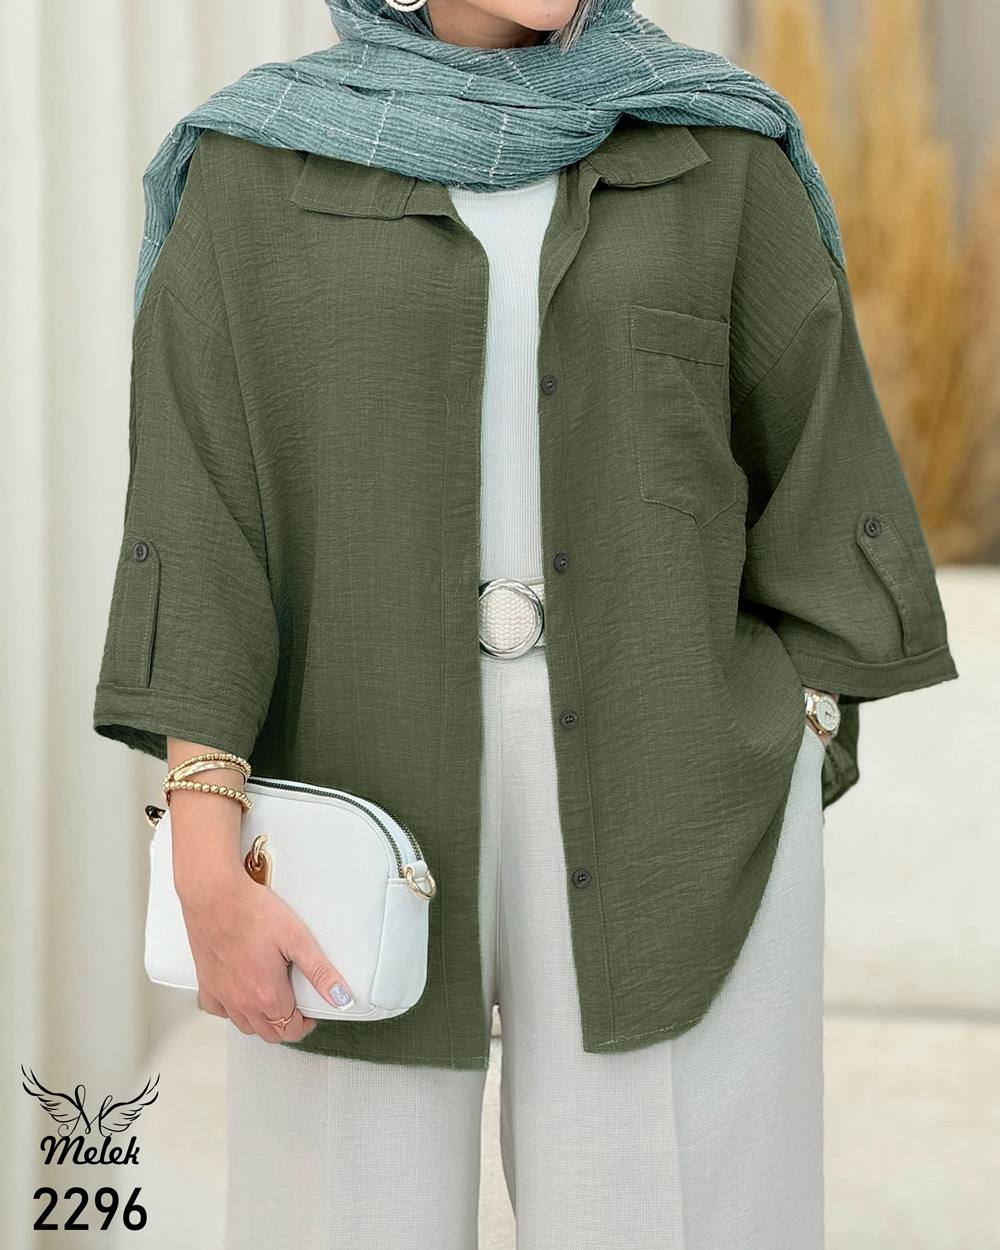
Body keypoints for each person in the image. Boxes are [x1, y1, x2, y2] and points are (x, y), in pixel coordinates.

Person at [91, 0, 959, 1245]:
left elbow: (817, 459)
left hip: (676, 780)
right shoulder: (250, 166)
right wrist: (202, 837)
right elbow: (200, 509)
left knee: (677, 1216)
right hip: (346, 782)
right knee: (342, 1215)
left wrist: (797, 725)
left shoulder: (719, 149)